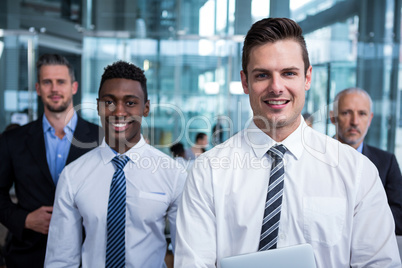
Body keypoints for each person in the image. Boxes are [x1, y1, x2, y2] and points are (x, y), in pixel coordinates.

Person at [174, 18, 401, 267]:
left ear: (307, 77)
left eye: (289, 73)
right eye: (262, 75)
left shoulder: (357, 171)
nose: (276, 87)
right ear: (245, 82)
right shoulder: (208, 171)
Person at [44, 61, 187, 267]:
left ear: (146, 108)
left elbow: (187, 254)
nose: (118, 112)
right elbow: (61, 259)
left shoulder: (173, 174)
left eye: (130, 103)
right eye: (109, 102)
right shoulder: (73, 175)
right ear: (98, 106)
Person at [0, 54, 102, 268]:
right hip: (28, 256)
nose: (54, 89)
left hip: (87, 257)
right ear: (38, 88)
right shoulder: (13, 141)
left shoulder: (101, 139)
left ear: (74, 87)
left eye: (61, 82)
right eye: (47, 82)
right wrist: (24, 219)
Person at [330, 87, 402, 235]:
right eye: (346, 113)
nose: (354, 122)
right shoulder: (314, 157)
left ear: (370, 119)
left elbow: (399, 217)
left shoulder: (387, 162)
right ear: (333, 118)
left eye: (362, 114)